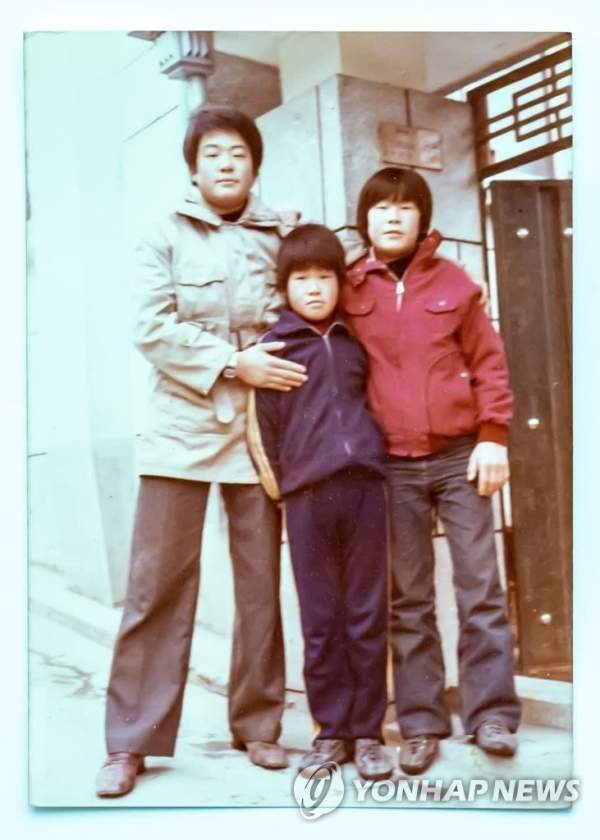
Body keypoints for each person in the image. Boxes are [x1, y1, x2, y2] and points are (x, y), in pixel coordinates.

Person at [95, 106, 308, 798]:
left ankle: (259, 724)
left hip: (260, 431)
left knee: (258, 585)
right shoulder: (160, 232)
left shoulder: (282, 235)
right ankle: (130, 741)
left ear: (255, 165)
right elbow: (150, 327)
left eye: (238, 152)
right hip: (181, 429)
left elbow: (319, 294)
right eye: (212, 153)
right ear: (193, 167)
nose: (225, 163)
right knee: (157, 585)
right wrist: (232, 362)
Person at [340, 167, 521, 776]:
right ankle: (421, 722)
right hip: (389, 466)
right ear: (364, 220)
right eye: (380, 207)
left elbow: (489, 364)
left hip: (459, 457)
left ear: (422, 218)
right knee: (408, 598)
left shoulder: (456, 283)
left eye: (404, 207)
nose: (392, 217)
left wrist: (493, 437)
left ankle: (491, 713)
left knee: (480, 588)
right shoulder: (349, 288)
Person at [247, 224, 393, 782]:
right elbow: (263, 427)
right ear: (284, 286)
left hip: (364, 490)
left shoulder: (355, 342)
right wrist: (284, 488)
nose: (314, 288)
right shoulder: (274, 350)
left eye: (325, 277)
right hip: (308, 497)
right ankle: (331, 731)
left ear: (340, 282)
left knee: (366, 612)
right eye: (301, 278)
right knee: (321, 617)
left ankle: (368, 733)